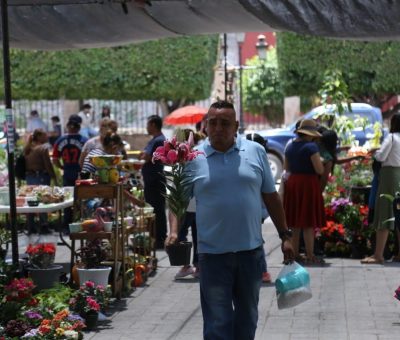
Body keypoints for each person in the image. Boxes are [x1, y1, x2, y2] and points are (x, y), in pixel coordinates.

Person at [165, 100, 294, 340]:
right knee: (217, 324)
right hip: (212, 257)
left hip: (250, 254)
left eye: (225, 123)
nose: (218, 128)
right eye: (213, 123)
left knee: (247, 322)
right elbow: (178, 201)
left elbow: (271, 197)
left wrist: (285, 235)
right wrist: (173, 232)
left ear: (236, 126)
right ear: (205, 126)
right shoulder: (194, 157)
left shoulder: (256, 152)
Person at [283, 119, 325, 264]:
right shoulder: (311, 147)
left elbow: (286, 168)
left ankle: (294, 254)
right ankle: (310, 254)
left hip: (293, 183)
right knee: (308, 222)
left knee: (295, 223)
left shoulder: (290, 146)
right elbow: (319, 169)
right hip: (308, 184)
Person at [361, 113, 400, 264]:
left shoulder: (391, 137)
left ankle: (378, 255)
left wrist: (375, 153)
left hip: (389, 175)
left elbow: (381, 157)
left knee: (384, 212)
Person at [52, 116, 87, 232]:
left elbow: (55, 159)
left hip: (67, 173)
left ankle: (67, 225)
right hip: (81, 173)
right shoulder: (84, 140)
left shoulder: (60, 141)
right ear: (79, 128)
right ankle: (82, 223)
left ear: (67, 127)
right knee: (82, 199)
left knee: (67, 200)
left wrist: (62, 167)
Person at [246, 132, 272, 283]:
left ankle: (262, 270)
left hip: (257, 209)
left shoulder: (260, 161)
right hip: (256, 209)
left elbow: (269, 193)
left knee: (255, 238)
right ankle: (260, 270)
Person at [140, 115, 167, 249]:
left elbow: (147, 156)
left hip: (155, 180)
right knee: (154, 209)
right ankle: (156, 237)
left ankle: (159, 238)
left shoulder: (159, 141)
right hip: (151, 179)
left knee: (156, 210)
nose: (146, 127)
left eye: (148, 124)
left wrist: (144, 155)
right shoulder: (155, 140)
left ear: (154, 125)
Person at [24, 129, 56, 234]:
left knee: (31, 201)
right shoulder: (43, 148)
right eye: (44, 135)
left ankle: (31, 226)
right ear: (38, 136)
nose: (47, 137)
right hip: (41, 177)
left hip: (30, 177)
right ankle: (44, 226)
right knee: (43, 201)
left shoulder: (29, 148)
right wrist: (54, 177)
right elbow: (48, 164)